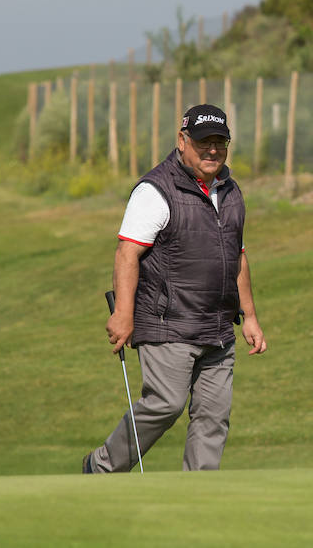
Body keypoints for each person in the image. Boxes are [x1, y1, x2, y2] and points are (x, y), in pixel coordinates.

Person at [83, 104, 268, 473]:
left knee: (213, 418)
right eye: (203, 143)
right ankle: (102, 467)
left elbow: (238, 257)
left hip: (216, 328)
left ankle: (198, 496)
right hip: (167, 323)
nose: (212, 150)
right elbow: (127, 254)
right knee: (165, 403)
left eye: (220, 142)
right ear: (182, 141)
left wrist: (249, 317)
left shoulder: (231, 193)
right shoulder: (155, 190)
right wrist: (123, 313)